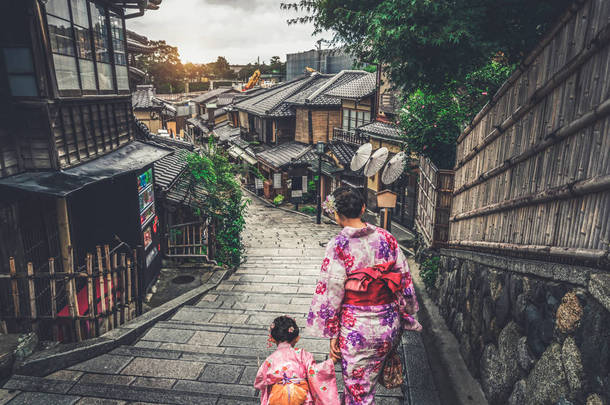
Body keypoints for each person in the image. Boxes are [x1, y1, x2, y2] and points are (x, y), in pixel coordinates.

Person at [307, 187, 422, 404]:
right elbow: (404, 277)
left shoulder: (339, 245)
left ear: (336, 214)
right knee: (365, 385)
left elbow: (332, 290)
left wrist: (332, 332)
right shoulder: (387, 238)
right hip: (388, 325)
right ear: (362, 208)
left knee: (359, 392)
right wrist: (406, 309)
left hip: (356, 329)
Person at [254, 315, 340, 405]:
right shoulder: (302, 354)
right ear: (296, 338)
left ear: (272, 339)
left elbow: (259, 382)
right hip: (301, 396)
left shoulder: (270, 360)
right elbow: (314, 372)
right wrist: (332, 361)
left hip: (278, 398)